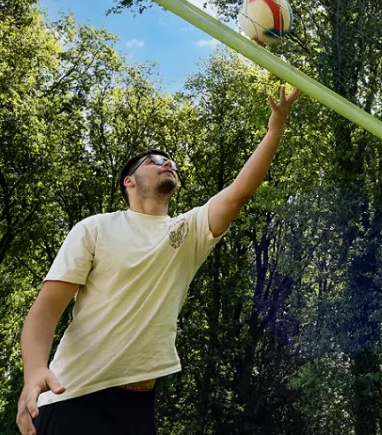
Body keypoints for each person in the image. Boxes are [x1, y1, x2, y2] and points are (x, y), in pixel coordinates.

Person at [15, 84, 301, 435]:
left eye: (170, 162)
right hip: (75, 397)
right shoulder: (96, 228)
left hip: (139, 404)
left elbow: (239, 192)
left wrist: (276, 128)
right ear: (129, 182)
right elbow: (45, 310)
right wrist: (33, 373)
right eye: (153, 161)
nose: (167, 163)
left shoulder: (187, 231)